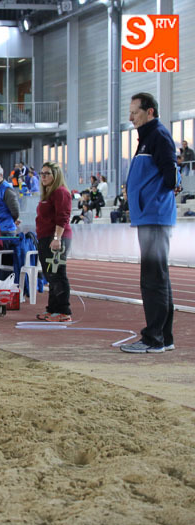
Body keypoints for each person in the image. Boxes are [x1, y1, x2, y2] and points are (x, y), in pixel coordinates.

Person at [120, 92, 179, 354]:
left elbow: (171, 175)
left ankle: (153, 338)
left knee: (153, 279)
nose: (130, 117)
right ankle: (164, 337)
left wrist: (150, 197)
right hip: (150, 216)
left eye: (135, 112)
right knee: (158, 277)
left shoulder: (158, 136)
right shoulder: (148, 138)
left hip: (154, 216)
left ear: (150, 112)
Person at [35, 162, 73, 322]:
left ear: (55, 175)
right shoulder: (48, 194)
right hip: (45, 238)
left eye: (47, 174)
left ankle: (63, 311)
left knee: (57, 274)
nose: (43, 177)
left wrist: (57, 238)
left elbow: (63, 216)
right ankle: (52, 309)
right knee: (50, 275)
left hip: (56, 238)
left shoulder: (60, 192)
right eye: (41, 173)